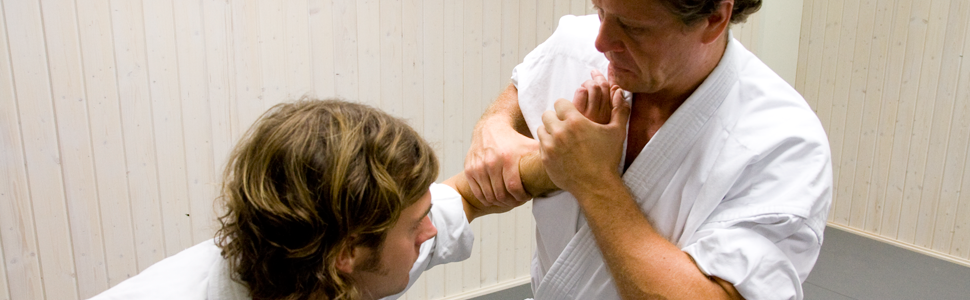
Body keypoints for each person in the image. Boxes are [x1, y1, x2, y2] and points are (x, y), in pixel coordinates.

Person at [463, 0, 833, 299]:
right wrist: (494, 125)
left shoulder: (784, 143)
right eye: (600, 10)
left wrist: (594, 181)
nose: (602, 42)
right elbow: (519, 91)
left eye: (634, 28)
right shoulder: (577, 46)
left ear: (715, 17)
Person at [90, 99, 560, 300]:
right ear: (347, 253)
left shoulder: (333, 255)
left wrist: (568, 165)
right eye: (417, 223)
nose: (432, 228)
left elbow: (472, 196)